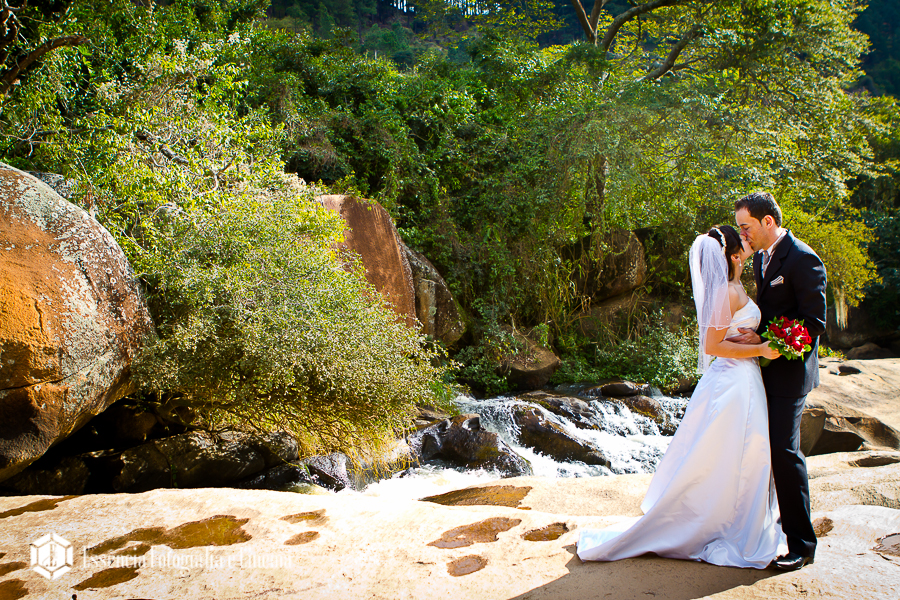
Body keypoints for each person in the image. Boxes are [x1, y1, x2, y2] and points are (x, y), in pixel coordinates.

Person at [577, 225, 785, 568]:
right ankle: (720, 522)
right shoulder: (727, 291)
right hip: (733, 382)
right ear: (734, 255)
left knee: (740, 452)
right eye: (743, 238)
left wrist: (757, 338)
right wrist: (761, 349)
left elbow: (732, 333)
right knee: (728, 452)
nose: (748, 239)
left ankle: (737, 517)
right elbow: (713, 345)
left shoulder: (737, 286)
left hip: (743, 378)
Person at [730, 191, 826, 572]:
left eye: (746, 227)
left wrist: (769, 342)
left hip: (790, 373)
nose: (743, 234)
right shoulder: (760, 258)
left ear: (767, 222)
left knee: (785, 453)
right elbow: (772, 310)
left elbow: (814, 323)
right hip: (763, 371)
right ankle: (766, 529)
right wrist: (757, 337)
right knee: (763, 451)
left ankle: (802, 545)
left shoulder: (804, 259)